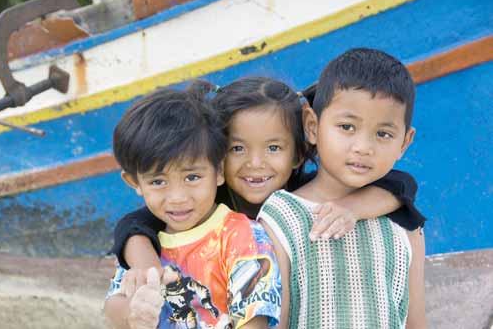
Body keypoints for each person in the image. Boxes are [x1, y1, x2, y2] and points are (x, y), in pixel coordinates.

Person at [258, 48, 426, 328]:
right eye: (347, 127)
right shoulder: (281, 218)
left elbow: (415, 322)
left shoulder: (406, 228)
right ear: (312, 126)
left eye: (383, 134)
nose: (363, 147)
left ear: (404, 143)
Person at [104, 86, 282, 329]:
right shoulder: (144, 245)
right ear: (135, 182)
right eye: (158, 182)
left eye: (192, 177)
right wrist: (133, 313)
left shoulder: (240, 237)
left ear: (219, 171)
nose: (177, 197)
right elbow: (113, 305)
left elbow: (255, 321)